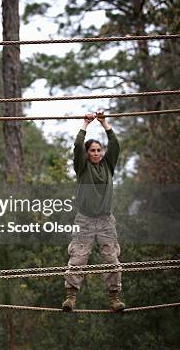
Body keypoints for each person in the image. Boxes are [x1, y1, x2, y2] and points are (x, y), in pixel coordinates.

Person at [62, 111, 125, 312]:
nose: (96, 153)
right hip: (85, 221)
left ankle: (114, 299)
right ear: (88, 153)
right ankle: (70, 297)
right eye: (93, 150)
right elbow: (77, 146)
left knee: (111, 260)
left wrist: (104, 123)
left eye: (99, 150)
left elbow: (115, 144)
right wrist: (85, 124)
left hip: (106, 221)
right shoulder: (82, 167)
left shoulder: (108, 166)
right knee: (78, 259)